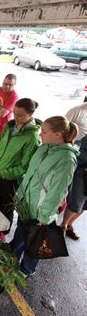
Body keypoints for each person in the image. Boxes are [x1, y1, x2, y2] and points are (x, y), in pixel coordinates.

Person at [11, 116, 79, 277]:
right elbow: (30, 174)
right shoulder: (44, 148)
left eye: (44, 131)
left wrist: (45, 215)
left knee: (34, 242)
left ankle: (26, 269)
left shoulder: (67, 159)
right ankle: (12, 259)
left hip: (41, 210)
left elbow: (58, 191)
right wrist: (19, 193)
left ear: (58, 134)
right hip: (26, 203)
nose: (40, 134)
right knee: (21, 233)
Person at [0, 98, 41, 233]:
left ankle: (1, 235)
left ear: (31, 113)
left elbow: (25, 167)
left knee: (5, 207)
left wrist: (3, 173)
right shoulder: (9, 126)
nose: (16, 117)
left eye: (20, 115)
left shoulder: (31, 137)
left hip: (9, 179)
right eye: (15, 113)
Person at [61, 101, 87, 239]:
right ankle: (63, 225)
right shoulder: (77, 110)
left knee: (84, 205)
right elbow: (63, 128)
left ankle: (69, 224)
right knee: (76, 201)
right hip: (81, 168)